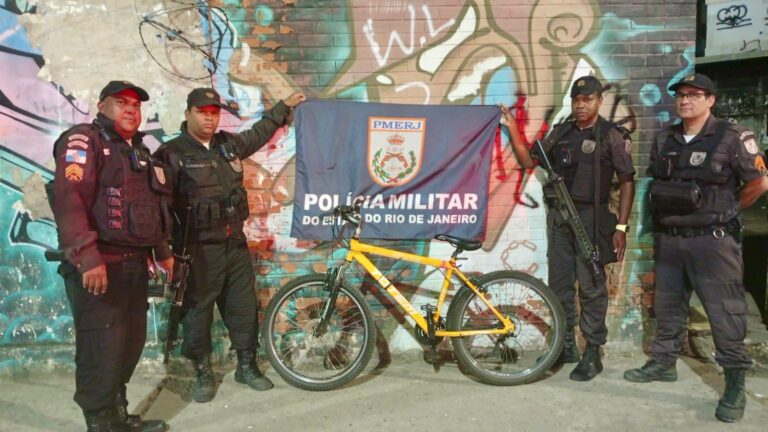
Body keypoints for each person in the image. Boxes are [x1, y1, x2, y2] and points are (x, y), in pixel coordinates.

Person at [624, 73, 768, 423]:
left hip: (712, 242)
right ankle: (664, 362)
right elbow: (658, 183)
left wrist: (728, 210)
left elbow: (759, 183)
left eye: (693, 94)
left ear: (710, 100)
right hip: (670, 239)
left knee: (725, 312)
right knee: (668, 306)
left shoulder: (733, 136)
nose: (685, 100)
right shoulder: (665, 138)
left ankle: (734, 383)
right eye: (680, 95)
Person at [154, 88, 306, 402]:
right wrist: (164, 252)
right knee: (198, 313)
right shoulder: (171, 154)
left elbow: (260, 133)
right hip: (197, 249)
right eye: (202, 112)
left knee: (243, 307)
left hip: (234, 243)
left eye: (214, 113)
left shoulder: (228, 145)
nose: (209, 119)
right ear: (188, 113)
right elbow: (159, 207)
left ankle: (246, 366)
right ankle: (203, 372)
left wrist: (283, 106)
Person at [51, 81, 173, 432]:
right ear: (102, 106)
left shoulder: (139, 151)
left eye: (136, 105)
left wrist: (162, 252)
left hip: (133, 266)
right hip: (99, 266)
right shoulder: (84, 140)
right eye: (121, 103)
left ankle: (117, 414)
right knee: (101, 346)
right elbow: (70, 199)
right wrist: (87, 257)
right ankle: (100, 421)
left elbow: (150, 207)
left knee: (129, 344)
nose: (131, 109)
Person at [500, 75, 636, 381]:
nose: (580, 105)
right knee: (559, 286)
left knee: (591, 287)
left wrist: (621, 227)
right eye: (576, 100)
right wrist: (512, 128)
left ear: (599, 101)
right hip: (560, 219)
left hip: (592, 219)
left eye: (587, 100)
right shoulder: (561, 132)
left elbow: (628, 182)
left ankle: (593, 352)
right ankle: (565, 345)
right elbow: (528, 161)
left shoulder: (611, 136)